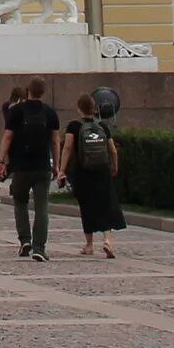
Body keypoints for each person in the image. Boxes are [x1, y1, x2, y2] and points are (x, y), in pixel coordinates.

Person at [59, 92, 125, 259]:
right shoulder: (102, 126)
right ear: (94, 108)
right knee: (105, 204)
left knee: (87, 207)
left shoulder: (74, 126)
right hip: (102, 170)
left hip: (83, 172)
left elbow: (67, 148)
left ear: (79, 109)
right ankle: (108, 240)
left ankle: (89, 245)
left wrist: (61, 169)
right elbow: (112, 150)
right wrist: (114, 166)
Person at [0, 78, 60, 260]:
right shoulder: (50, 113)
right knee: (42, 208)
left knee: (20, 203)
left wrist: (0, 161)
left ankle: (25, 241)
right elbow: (56, 141)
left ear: (28, 91)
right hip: (42, 166)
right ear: (43, 92)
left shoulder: (16, 112)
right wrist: (56, 165)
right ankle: (39, 248)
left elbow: (7, 137)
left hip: (21, 166)